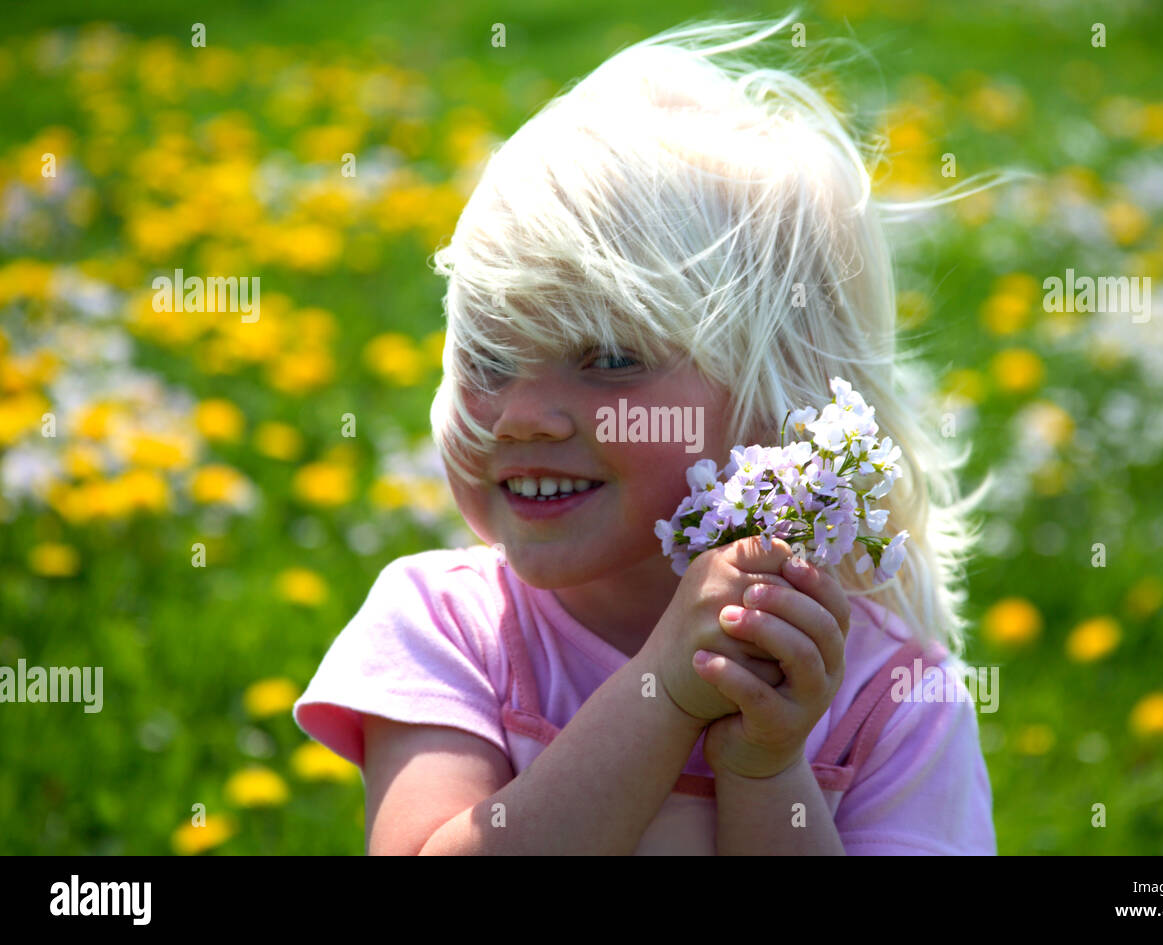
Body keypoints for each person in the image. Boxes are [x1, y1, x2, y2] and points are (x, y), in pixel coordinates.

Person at [294, 14, 998, 855]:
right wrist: (663, 690)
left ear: (785, 414)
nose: (523, 414)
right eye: (488, 355)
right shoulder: (450, 628)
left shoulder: (887, 698)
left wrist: (767, 773)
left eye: (610, 358)